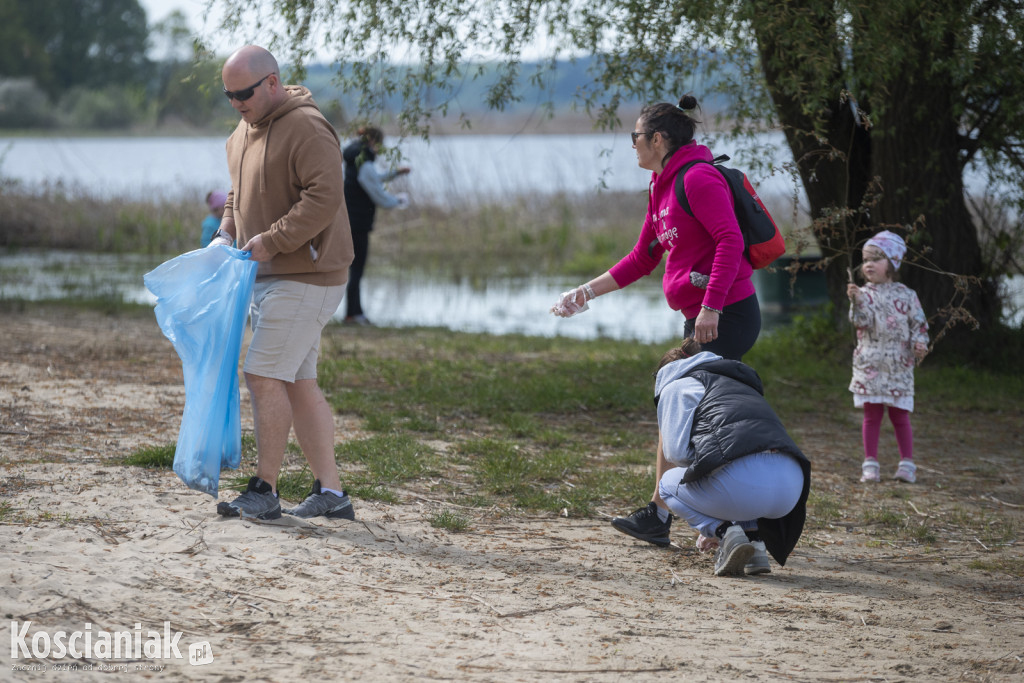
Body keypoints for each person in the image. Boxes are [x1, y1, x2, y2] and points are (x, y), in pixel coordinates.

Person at [551, 95, 763, 543]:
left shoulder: (699, 178)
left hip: (728, 314)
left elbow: (729, 241)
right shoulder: (659, 187)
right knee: (682, 405)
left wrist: (711, 306)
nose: (632, 144)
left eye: (636, 136)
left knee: (686, 404)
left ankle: (718, 521)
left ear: (658, 139)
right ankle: (686, 516)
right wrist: (585, 292)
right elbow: (642, 258)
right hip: (703, 318)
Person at [209, 45, 356, 521]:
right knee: (296, 381)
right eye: (229, 95)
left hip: (308, 275)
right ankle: (332, 496)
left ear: (272, 82)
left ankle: (264, 490)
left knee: (263, 374)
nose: (236, 103)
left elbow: (325, 197)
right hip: (267, 275)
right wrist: (223, 234)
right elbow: (236, 193)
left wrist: (272, 241)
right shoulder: (241, 132)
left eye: (243, 93)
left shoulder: (307, 127)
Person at [627, 338, 811, 576]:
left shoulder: (677, 385)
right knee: (737, 472)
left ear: (666, 373)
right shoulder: (738, 381)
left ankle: (726, 534)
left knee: (667, 485)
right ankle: (756, 545)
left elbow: (676, 454)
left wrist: (709, 524)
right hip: (791, 488)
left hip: (748, 485)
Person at [846, 230, 929, 484]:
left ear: (893, 263)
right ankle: (870, 463)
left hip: (898, 366)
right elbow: (861, 322)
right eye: (866, 259)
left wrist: (920, 342)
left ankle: (907, 464)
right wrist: (857, 301)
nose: (868, 264)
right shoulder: (864, 293)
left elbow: (919, 324)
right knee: (871, 416)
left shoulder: (907, 295)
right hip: (870, 366)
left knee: (899, 415)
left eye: (876, 258)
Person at [341, 126, 411, 326]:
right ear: (373, 142)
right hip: (359, 223)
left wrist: (395, 173)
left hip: (350, 220)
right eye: (380, 144)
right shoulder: (364, 160)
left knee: (354, 269)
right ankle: (353, 314)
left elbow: (374, 178)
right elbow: (376, 191)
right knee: (357, 269)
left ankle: (354, 313)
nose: (381, 149)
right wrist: (397, 201)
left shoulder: (355, 157)